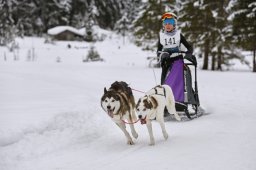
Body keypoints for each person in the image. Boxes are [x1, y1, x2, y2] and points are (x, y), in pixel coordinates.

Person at [157, 12, 193, 86]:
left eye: (170, 23)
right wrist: (161, 56)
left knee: (177, 84)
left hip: (177, 61)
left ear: (174, 25)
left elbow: (189, 47)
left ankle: (180, 95)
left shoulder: (178, 35)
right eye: (166, 23)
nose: (168, 25)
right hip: (166, 62)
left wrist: (189, 54)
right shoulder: (162, 37)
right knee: (164, 84)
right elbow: (158, 51)